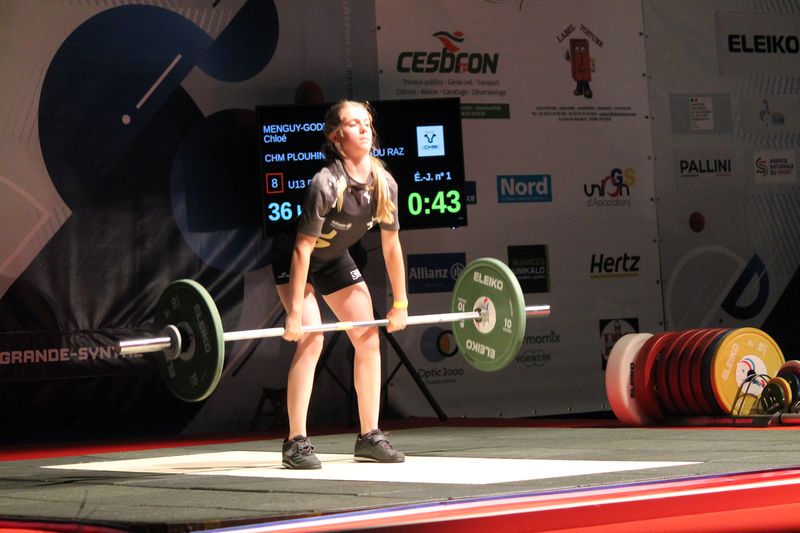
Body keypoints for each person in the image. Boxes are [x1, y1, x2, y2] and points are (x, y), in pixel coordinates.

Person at [271, 100, 408, 469]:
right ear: (336, 136)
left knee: (368, 336)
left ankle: (369, 436)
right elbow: (302, 249)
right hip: (294, 258)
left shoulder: (385, 184)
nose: (364, 129)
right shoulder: (326, 183)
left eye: (367, 123)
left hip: (332, 259)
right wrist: (295, 314)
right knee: (312, 338)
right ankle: (295, 442)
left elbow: (391, 246)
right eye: (353, 123)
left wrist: (400, 304)